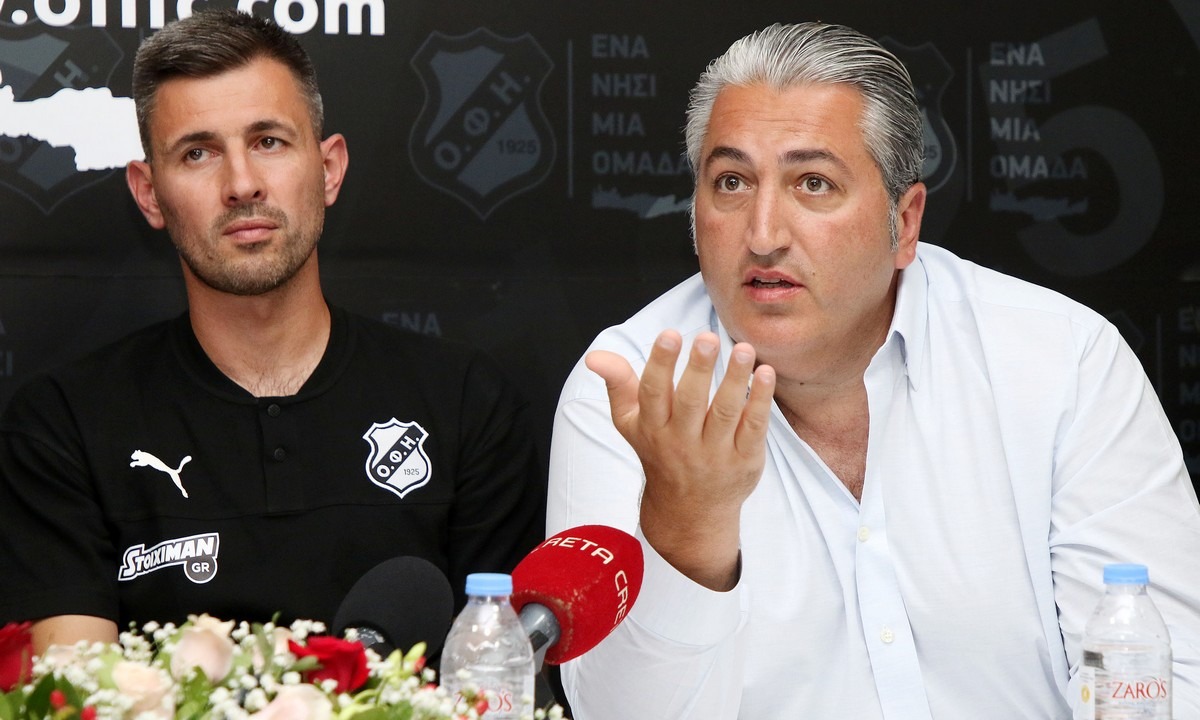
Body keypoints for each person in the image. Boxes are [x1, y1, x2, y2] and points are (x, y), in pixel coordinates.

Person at [548, 21, 1200, 719]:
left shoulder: (1062, 360)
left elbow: (1167, 680)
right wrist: (687, 528)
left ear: (905, 221)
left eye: (813, 183)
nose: (763, 235)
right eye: (731, 182)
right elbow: (615, 714)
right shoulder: (628, 389)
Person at [0, 10, 545, 654]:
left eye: (269, 142)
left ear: (329, 169)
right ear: (149, 194)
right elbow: (74, 688)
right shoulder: (64, 423)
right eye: (198, 153)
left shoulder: (466, 404)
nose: (241, 185)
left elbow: (497, 678)